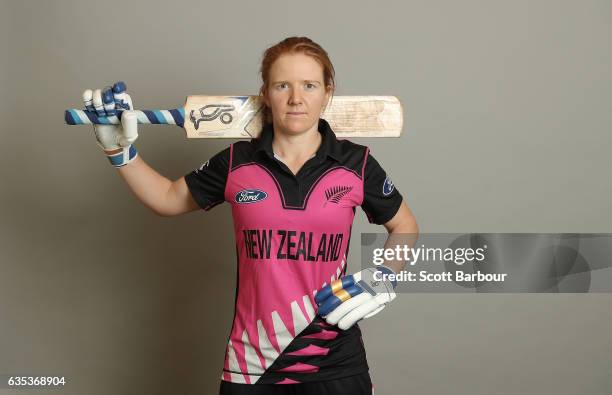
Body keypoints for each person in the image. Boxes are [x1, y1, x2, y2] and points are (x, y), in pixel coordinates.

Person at [83, 36, 418, 395]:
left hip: (334, 360)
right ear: (265, 94)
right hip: (252, 364)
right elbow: (167, 198)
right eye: (282, 85)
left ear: (327, 92)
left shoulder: (357, 164)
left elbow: (405, 227)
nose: (296, 98)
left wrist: (383, 275)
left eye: (309, 85)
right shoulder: (236, 162)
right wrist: (117, 150)